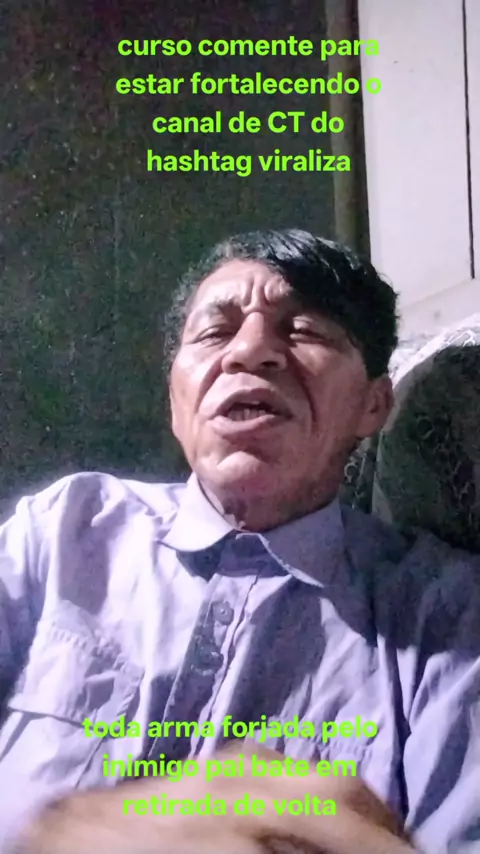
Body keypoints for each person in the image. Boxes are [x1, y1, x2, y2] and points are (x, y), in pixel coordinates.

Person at [0, 229, 479, 854]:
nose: (250, 351)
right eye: (214, 332)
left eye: (304, 331)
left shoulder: (447, 615)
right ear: (176, 400)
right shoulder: (62, 530)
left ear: (373, 405)